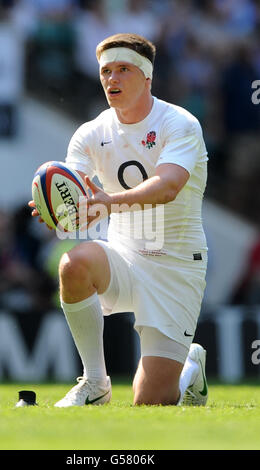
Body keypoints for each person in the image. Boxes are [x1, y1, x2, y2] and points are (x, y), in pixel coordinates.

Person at [29, 33, 209, 407]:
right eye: (106, 71)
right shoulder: (91, 132)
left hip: (175, 266)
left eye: (123, 70)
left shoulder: (180, 123)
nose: (112, 79)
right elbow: (75, 197)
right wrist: (57, 210)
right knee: (73, 263)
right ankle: (95, 384)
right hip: (124, 257)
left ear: (147, 77)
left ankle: (190, 369)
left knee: (151, 402)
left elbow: (168, 186)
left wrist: (107, 202)